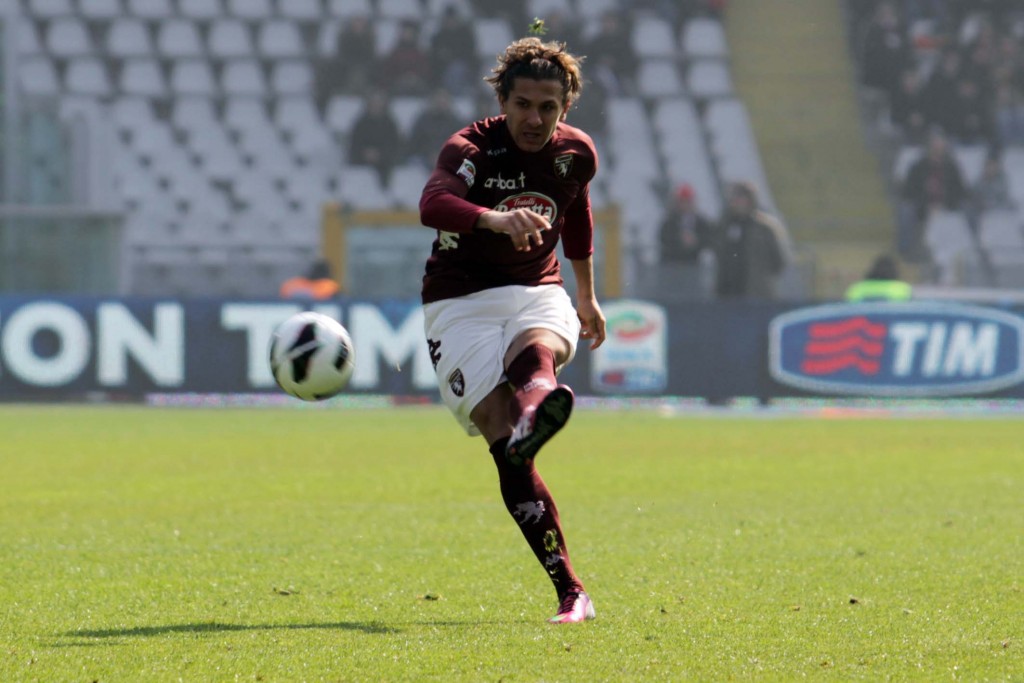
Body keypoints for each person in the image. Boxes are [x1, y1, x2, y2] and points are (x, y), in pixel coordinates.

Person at [418, 36, 605, 624]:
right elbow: (432, 203)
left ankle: (574, 597)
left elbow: (574, 211)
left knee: (539, 348)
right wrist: (495, 218)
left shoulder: (577, 154)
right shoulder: (471, 147)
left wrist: (587, 294)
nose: (535, 118)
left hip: (537, 289)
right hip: (458, 301)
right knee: (507, 449)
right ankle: (569, 585)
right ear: (503, 98)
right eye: (523, 104)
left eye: (548, 107)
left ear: (565, 107)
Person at [708, 181, 792, 299]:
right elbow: (717, 250)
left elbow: (779, 261)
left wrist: (761, 276)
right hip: (727, 293)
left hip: (757, 294)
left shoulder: (765, 227)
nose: (736, 202)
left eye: (740, 197)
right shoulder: (725, 225)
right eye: (734, 197)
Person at [658, 183, 712, 264]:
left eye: (688, 201)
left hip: (694, 265)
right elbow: (664, 238)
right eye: (682, 201)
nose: (685, 205)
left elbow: (708, 239)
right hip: (672, 265)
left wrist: (695, 241)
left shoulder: (701, 222)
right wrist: (679, 240)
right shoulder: (670, 221)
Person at [845, 254, 912, 302]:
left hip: (862, 321)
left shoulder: (857, 288)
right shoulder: (902, 289)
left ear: (872, 270)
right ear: (895, 271)